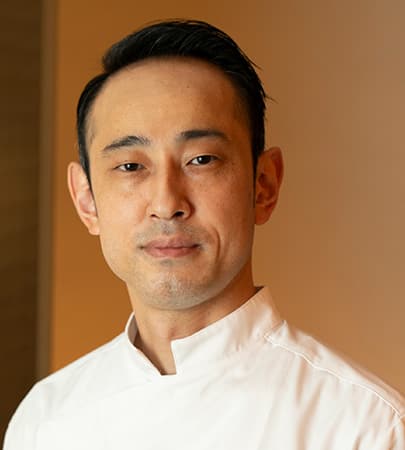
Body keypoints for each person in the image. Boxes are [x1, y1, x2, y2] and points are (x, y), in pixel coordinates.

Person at [4, 19, 404, 450]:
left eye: (201, 160)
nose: (166, 203)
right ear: (86, 201)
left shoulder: (366, 427)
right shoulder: (45, 421)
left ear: (264, 186)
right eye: (131, 166)